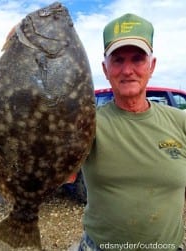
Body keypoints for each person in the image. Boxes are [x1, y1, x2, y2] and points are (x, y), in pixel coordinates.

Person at [78, 13, 186, 251]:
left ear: (152, 65)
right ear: (105, 69)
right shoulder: (87, 123)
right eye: (117, 60)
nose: (127, 70)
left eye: (137, 59)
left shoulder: (180, 121)